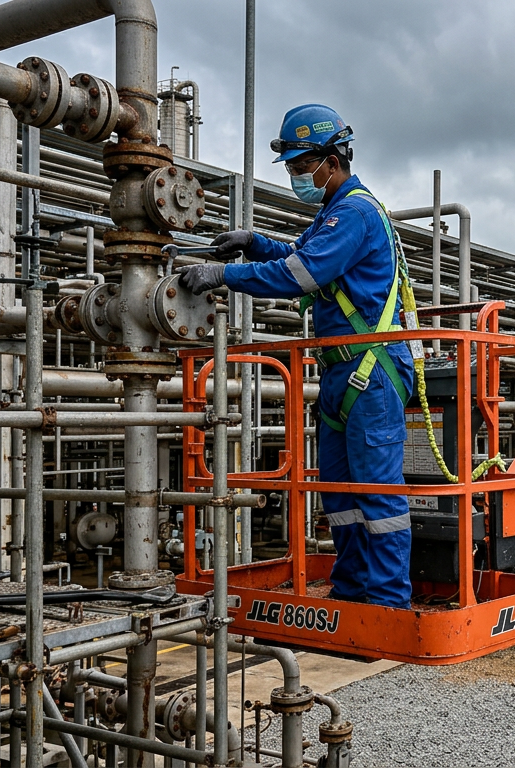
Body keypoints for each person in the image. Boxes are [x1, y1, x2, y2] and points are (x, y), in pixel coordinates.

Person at [177, 104, 415, 608]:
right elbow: (293, 253)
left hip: (371, 371)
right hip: (341, 372)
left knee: (376, 496)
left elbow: (299, 275)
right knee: (341, 495)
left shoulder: (354, 212)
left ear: (332, 159)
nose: (296, 176)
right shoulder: (334, 212)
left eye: (301, 166)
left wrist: (225, 276)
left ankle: (388, 603)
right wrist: (253, 243)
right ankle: (354, 593)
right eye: (291, 168)